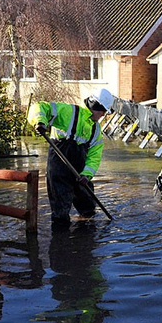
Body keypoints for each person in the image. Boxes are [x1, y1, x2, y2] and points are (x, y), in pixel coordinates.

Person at [28, 88, 113, 227]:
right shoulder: (69, 112)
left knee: (88, 205)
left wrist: (86, 175)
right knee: (60, 208)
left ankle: (85, 238)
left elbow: (94, 156)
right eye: (102, 110)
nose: (103, 114)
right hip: (59, 165)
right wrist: (40, 121)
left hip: (80, 171)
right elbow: (39, 107)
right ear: (94, 105)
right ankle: (61, 239)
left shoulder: (96, 130)